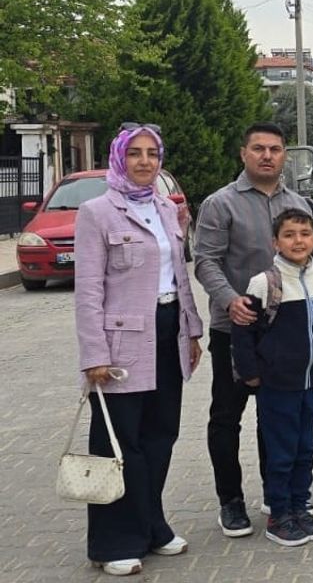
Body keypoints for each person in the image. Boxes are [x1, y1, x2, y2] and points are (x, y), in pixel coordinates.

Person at [74, 124, 205, 577]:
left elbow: (178, 277)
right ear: (119, 158)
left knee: (159, 437)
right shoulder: (96, 212)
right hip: (121, 343)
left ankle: (152, 526)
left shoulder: (167, 210)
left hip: (167, 332)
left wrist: (191, 331)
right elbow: (88, 289)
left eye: (152, 154)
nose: (145, 161)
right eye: (135, 154)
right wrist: (94, 354)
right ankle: (113, 542)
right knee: (118, 443)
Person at [195, 122, 311, 538]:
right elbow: (205, 260)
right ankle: (230, 501)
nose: (267, 156)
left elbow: (309, 260)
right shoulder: (219, 204)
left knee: (277, 419)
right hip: (235, 329)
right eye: (258, 148)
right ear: (243, 153)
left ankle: (276, 495)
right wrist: (231, 299)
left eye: (275, 149)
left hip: (283, 334)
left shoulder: (297, 202)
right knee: (227, 417)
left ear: (284, 155)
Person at [230, 209, 313, 547]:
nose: (298, 240)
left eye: (305, 233)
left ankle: (299, 507)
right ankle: (279, 515)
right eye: (289, 234)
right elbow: (243, 332)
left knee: (305, 448)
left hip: (309, 382)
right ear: (275, 242)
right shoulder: (265, 282)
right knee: (281, 451)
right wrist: (251, 374)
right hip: (277, 385)